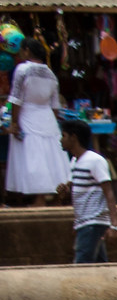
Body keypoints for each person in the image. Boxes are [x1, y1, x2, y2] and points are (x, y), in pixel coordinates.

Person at [5, 39, 69, 201]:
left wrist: (14, 123)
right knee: (51, 158)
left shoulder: (22, 69)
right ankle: (56, 199)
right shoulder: (51, 74)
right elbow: (55, 105)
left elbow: (16, 99)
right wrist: (51, 122)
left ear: (27, 50)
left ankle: (38, 199)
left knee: (33, 158)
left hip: (27, 116)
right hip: (47, 118)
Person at [60, 116, 117, 262]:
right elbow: (77, 190)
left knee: (82, 265)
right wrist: (64, 191)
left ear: (73, 138)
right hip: (85, 223)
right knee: (99, 266)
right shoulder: (74, 161)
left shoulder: (94, 160)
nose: (61, 140)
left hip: (92, 222)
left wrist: (115, 225)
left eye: (64, 136)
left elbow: (109, 192)